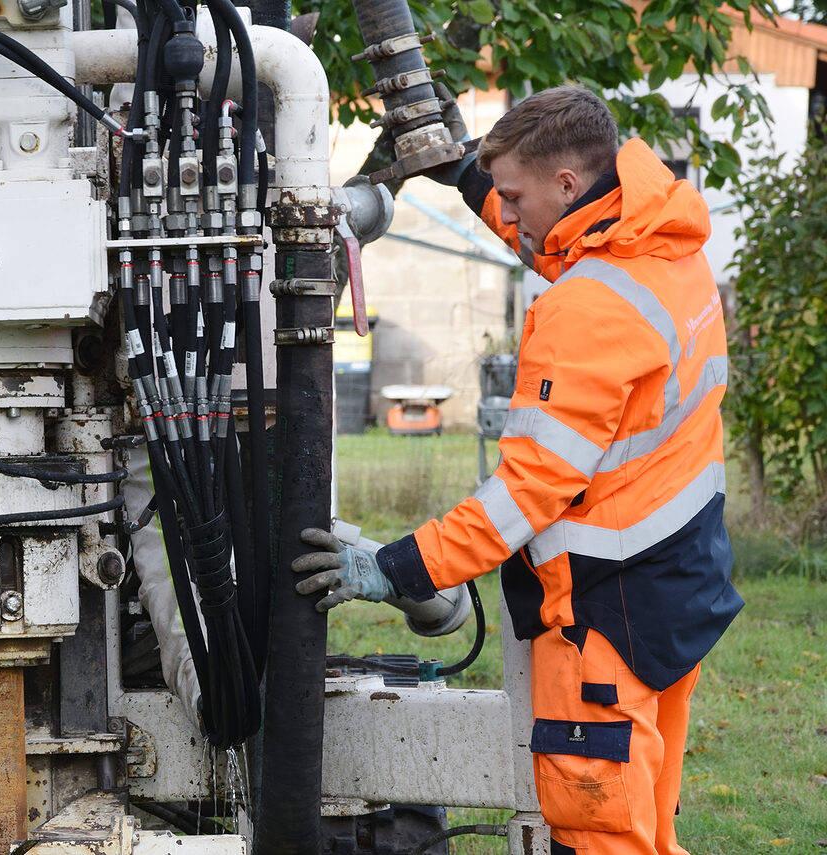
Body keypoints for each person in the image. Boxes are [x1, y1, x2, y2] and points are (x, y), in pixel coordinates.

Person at [293, 85, 742, 855]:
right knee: (647, 823)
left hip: (605, 618)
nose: (511, 218)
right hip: (676, 588)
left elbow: (520, 501)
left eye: (514, 197)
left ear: (568, 185)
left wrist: (394, 568)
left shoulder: (588, 310)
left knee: (600, 830)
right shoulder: (663, 244)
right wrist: (469, 171)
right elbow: (552, 241)